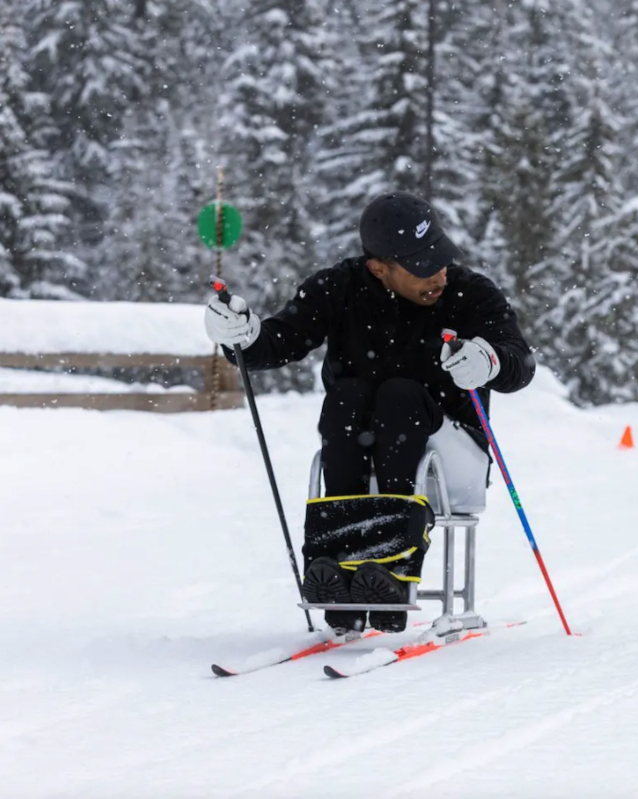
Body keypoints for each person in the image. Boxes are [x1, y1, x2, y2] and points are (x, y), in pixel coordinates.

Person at [204, 192, 535, 631]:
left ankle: (393, 570)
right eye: (420, 267)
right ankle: (339, 569)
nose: (437, 275)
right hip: (367, 457)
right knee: (348, 397)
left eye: (439, 259)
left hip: (453, 460)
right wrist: (239, 337)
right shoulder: (341, 286)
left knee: (399, 395)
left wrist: (489, 360)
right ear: (379, 267)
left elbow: (520, 363)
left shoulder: (469, 292)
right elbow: (278, 341)